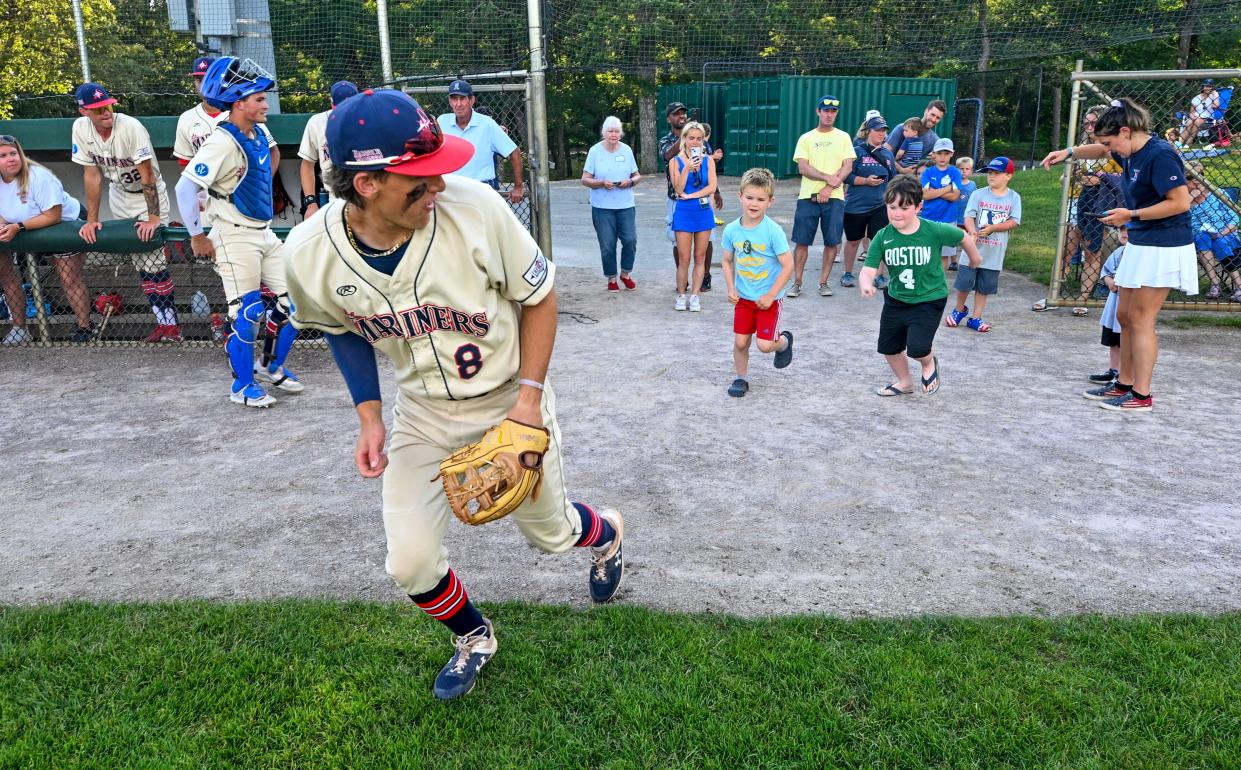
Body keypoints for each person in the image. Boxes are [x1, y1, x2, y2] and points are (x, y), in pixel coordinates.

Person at [281, 89, 625, 701]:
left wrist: (528, 400)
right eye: (418, 181)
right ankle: (474, 636)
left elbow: (539, 298)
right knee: (409, 563)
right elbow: (339, 329)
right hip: (422, 415)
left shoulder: (476, 208)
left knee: (549, 535)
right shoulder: (307, 254)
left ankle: (606, 534)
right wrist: (370, 417)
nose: (439, 184)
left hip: (508, 399)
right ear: (366, 185)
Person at [1044, 98, 1196, 413]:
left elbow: (1180, 202)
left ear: (1126, 131)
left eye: (1110, 141)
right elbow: (1099, 150)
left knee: (1141, 320)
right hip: (1142, 242)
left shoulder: (1160, 155)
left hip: (1164, 245)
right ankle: (1124, 384)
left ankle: (1142, 396)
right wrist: (1069, 153)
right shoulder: (1128, 149)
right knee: (1124, 317)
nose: (1107, 149)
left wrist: (1132, 214)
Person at [176, 57, 303, 407]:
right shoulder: (221, 141)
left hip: (263, 232)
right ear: (238, 102)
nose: (265, 104)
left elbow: (265, 165)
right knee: (247, 312)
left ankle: (270, 366)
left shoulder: (259, 132)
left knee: (294, 304)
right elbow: (185, 189)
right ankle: (242, 386)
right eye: (259, 99)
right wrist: (197, 235)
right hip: (233, 235)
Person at [72, 82, 183, 342]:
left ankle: (172, 327)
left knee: (154, 259)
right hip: (119, 193)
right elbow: (91, 175)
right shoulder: (80, 129)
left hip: (148, 195)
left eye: (107, 105)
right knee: (140, 262)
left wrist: (153, 217)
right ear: (83, 112)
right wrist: (92, 219)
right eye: (97, 109)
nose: (106, 111)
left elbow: (146, 174)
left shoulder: (130, 126)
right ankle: (162, 323)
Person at [858, 175, 982, 397]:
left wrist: (974, 258)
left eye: (905, 207)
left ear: (918, 207)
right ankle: (905, 383)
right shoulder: (883, 237)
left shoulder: (933, 230)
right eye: (892, 207)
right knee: (888, 347)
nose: (897, 213)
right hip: (896, 299)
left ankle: (928, 363)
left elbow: (962, 236)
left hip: (929, 298)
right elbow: (869, 268)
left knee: (917, 348)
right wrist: (866, 283)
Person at [0, 134, 93, 343]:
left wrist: (18, 226)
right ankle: (19, 329)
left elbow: (53, 215)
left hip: (65, 225)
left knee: (69, 278)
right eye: (3, 155)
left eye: (13, 153)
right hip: (26, 228)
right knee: (8, 276)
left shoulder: (38, 176)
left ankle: (85, 327)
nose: (11, 158)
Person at [174, 57, 282, 227]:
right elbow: (185, 163)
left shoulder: (242, 113)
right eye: (198, 79)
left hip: (241, 194)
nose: (201, 84)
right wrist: (196, 193)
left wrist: (261, 182)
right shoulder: (187, 119)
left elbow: (272, 151)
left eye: (206, 78)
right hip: (209, 197)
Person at [721, 168, 795, 397]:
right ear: (740, 196)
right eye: (750, 197)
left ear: (770, 201)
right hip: (743, 298)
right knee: (741, 342)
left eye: (761, 199)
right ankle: (741, 378)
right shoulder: (732, 230)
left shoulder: (773, 231)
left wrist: (772, 294)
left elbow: (788, 265)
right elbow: (726, 261)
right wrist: (731, 288)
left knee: (764, 345)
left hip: (769, 299)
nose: (754, 204)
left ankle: (783, 342)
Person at [1058, 105, 1124, 315]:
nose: (1088, 126)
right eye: (1086, 122)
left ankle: (1082, 298)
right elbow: (1064, 179)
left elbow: (1123, 179)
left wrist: (1101, 179)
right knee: (1065, 249)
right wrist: (1076, 176)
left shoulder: (1114, 151)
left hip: (1100, 203)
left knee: (1091, 251)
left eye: (1093, 122)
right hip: (1076, 200)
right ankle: (1056, 293)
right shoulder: (1081, 149)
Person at [789, 94, 856, 298]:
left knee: (831, 242)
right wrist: (829, 179)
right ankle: (797, 282)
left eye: (833, 111)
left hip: (834, 198)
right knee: (802, 241)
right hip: (808, 196)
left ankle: (823, 283)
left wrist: (829, 187)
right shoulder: (806, 138)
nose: (829, 114)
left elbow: (848, 166)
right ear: (818, 111)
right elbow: (803, 167)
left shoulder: (843, 137)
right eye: (825, 110)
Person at [945, 156, 1022, 333]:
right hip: (973, 249)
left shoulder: (1013, 197)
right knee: (964, 282)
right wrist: (972, 232)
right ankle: (959, 310)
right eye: (989, 173)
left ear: (1008, 176)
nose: (991, 176)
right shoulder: (978, 194)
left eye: (996, 173)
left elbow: (1014, 221)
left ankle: (976, 317)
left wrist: (994, 227)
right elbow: (969, 216)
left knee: (984, 286)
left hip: (994, 252)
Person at [659, 102, 722, 291]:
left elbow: (709, 168)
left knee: (707, 238)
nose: (681, 116)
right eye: (676, 114)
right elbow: (667, 156)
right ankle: (683, 279)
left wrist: (716, 192)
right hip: (677, 198)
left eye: (683, 113)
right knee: (677, 240)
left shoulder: (701, 140)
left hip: (702, 198)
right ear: (669, 118)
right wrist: (685, 140)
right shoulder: (666, 140)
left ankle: (705, 277)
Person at [436, 80, 524, 204]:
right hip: (450, 191)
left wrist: (518, 187)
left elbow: (514, 152)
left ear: (472, 100)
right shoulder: (442, 121)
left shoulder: (487, 123)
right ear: (450, 102)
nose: (458, 104)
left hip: (480, 191)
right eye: (454, 99)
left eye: (463, 99)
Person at [581, 116, 640, 292]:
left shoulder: (627, 150)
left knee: (630, 240)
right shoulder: (595, 151)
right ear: (604, 133)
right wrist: (600, 183)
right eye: (610, 131)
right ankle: (612, 278)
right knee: (607, 244)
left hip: (625, 204)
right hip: (602, 206)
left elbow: (637, 175)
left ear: (620, 134)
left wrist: (629, 182)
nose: (613, 134)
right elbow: (585, 179)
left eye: (616, 131)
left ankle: (626, 273)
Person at [839, 114, 896, 288]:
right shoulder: (856, 151)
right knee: (853, 240)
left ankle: (879, 276)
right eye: (878, 130)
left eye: (884, 130)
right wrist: (866, 181)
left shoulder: (887, 154)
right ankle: (848, 273)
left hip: (879, 205)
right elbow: (845, 176)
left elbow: (892, 178)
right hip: (856, 205)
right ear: (868, 131)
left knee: (879, 241)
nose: (881, 133)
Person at [669, 120, 717, 312]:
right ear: (685, 139)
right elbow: (678, 189)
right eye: (692, 138)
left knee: (700, 257)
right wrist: (687, 168)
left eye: (699, 138)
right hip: (684, 212)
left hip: (703, 211)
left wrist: (693, 195)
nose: (696, 142)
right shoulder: (675, 161)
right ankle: (681, 295)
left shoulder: (709, 160)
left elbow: (711, 187)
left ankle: (695, 296)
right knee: (684, 258)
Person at [297, 80, 359, 218]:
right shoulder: (317, 122)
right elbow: (307, 164)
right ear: (332, 104)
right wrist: (311, 203)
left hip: (366, 199)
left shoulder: (368, 121)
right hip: (336, 199)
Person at [1186, 172, 1241, 301]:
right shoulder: (1181, 199)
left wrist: (1221, 233)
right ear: (1184, 179)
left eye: (1199, 174)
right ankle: (1237, 287)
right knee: (1202, 237)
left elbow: (1233, 218)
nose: (1196, 179)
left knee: (1219, 241)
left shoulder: (1217, 194)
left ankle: (1216, 285)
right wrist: (1190, 197)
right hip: (1197, 237)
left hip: (1226, 234)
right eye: (1190, 177)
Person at [919, 138, 963, 275]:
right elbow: (925, 195)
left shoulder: (955, 172)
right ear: (933, 154)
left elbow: (955, 196)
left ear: (952, 154)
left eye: (946, 153)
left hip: (948, 220)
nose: (942, 157)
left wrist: (935, 190)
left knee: (944, 256)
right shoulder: (928, 172)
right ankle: (926, 281)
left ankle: (940, 284)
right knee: (927, 254)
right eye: (939, 153)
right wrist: (947, 188)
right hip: (928, 219)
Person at [1088, 244, 1126, 387]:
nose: (1124, 233)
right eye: (1121, 230)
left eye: (1128, 230)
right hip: (1114, 302)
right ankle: (1114, 370)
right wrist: (1110, 281)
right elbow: (1106, 272)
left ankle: (1124, 373)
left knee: (1125, 340)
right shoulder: (1119, 251)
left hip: (1128, 301)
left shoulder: (1139, 252)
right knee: (1113, 340)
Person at [887, 100, 947, 171]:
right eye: (932, 115)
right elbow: (884, 153)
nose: (934, 119)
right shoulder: (902, 128)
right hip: (891, 176)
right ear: (926, 111)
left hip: (913, 179)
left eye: (938, 118)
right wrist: (901, 169)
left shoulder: (935, 140)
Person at [950, 156, 977, 271]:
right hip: (954, 216)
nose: (964, 171)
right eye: (961, 169)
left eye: (967, 169)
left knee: (967, 240)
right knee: (952, 240)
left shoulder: (972, 185)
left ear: (971, 170)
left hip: (966, 218)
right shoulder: (953, 183)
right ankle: (954, 261)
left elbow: (976, 200)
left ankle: (967, 259)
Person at [1181, 79, 1221, 146]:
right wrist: (1192, 116)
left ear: (1212, 88)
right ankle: (1179, 143)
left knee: (1197, 122)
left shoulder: (1213, 97)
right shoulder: (1196, 98)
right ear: (1203, 87)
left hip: (1208, 118)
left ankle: (1188, 143)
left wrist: (1215, 95)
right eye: (1206, 86)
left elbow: (1216, 106)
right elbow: (1192, 112)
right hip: (1196, 117)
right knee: (1189, 122)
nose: (1207, 88)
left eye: (1209, 86)